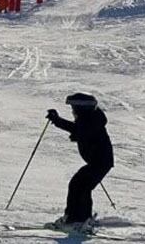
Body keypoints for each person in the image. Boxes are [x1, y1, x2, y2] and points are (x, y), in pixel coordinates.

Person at [44, 93, 114, 232]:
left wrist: (57, 120)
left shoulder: (91, 121)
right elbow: (78, 130)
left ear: (82, 109)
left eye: (74, 108)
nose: (73, 112)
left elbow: (78, 130)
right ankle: (74, 217)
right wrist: (57, 120)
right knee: (79, 185)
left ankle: (78, 220)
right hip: (97, 162)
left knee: (80, 186)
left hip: (100, 162)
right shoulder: (89, 119)